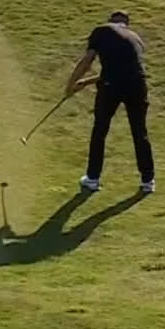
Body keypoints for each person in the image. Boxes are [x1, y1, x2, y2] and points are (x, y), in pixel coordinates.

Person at [64, 11, 154, 194]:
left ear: (110, 21)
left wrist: (70, 84)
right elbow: (124, 70)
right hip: (138, 85)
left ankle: (92, 178)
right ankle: (148, 181)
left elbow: (87, 61)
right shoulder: (135, 38)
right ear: (126, 24)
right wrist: (86, 82)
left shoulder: (101, 30)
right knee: (139, 132)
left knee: (100, 130)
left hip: (112, 86)